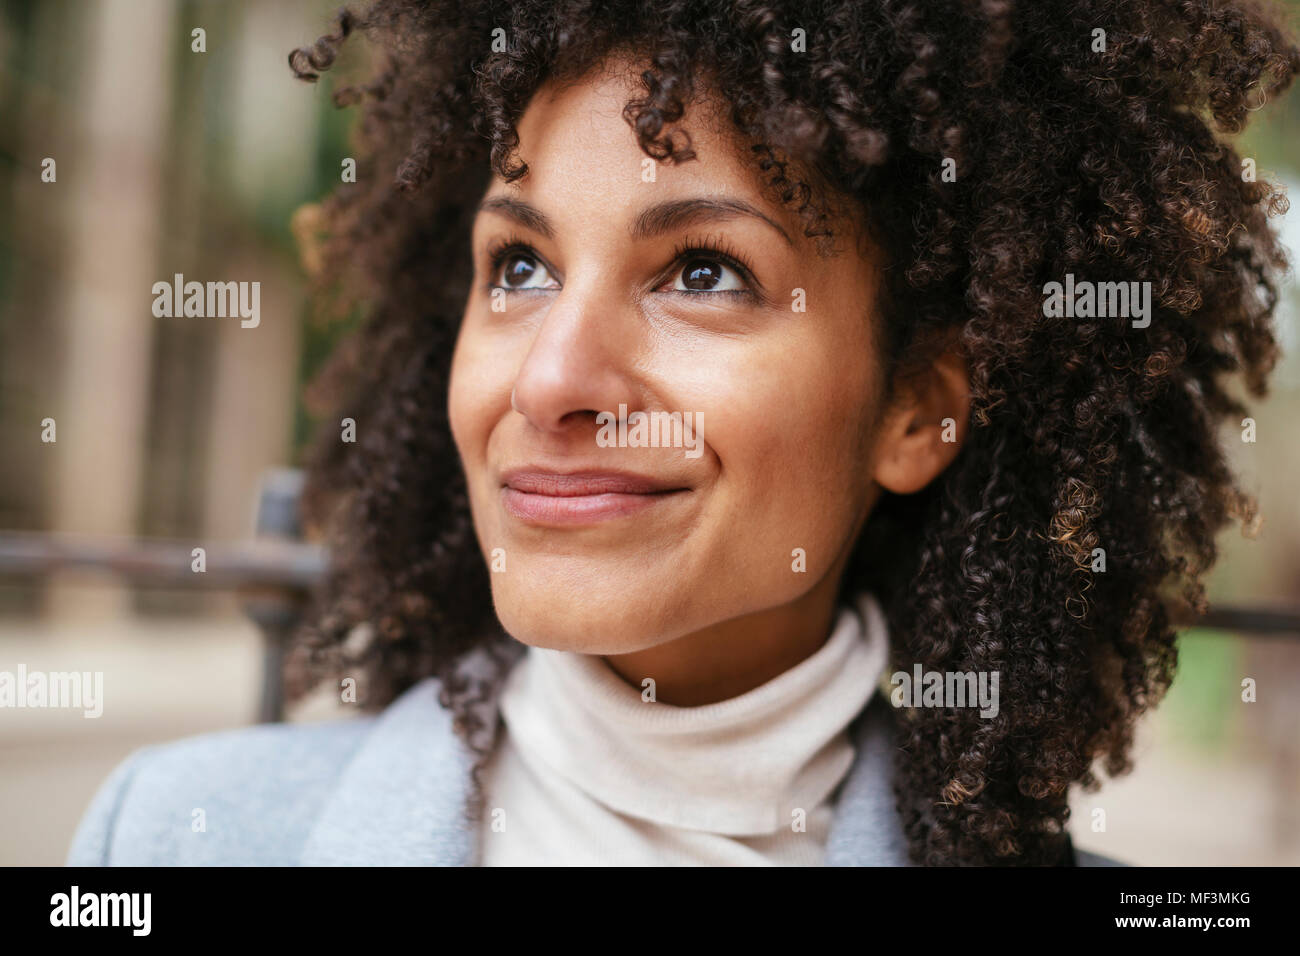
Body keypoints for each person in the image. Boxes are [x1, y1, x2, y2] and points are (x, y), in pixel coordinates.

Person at [69, 0, 1298, 866]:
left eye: (702, 271)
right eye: (518, 265)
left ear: (919, 406)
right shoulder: (178, 835)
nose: (551, 379)